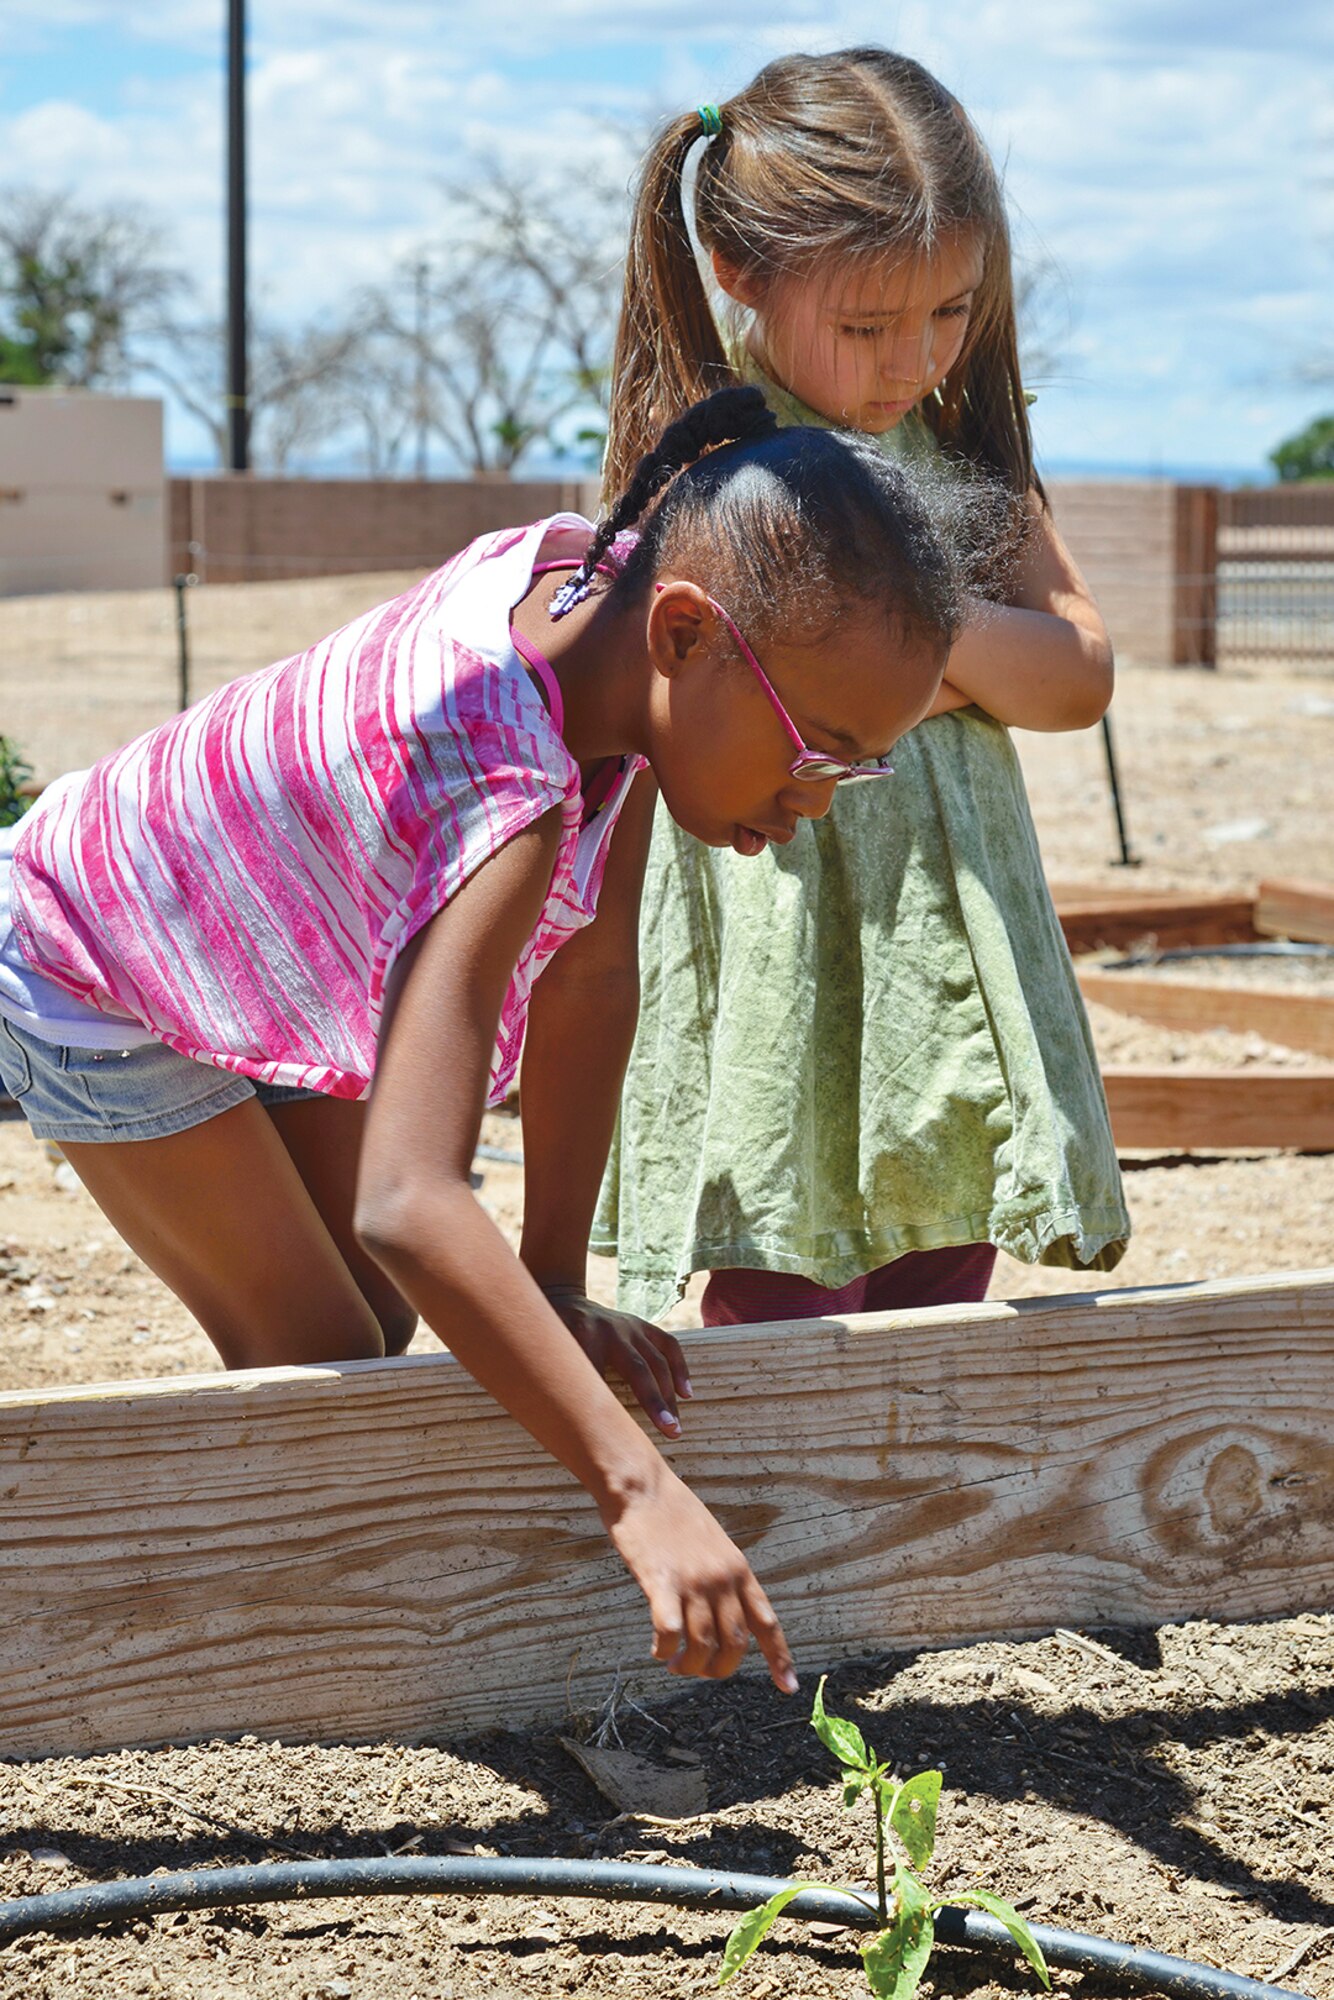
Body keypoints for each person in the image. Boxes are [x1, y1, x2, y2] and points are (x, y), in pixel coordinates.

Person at [0, 388, 965, 1691]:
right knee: (325, 1361)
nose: (817, 802)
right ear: (688, 635)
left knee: (412, 1322)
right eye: (819, 752)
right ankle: (262, 1672)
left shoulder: (598, 607)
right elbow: (410, 1197)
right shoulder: (501, 788)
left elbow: (588, 976)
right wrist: (639, 1492)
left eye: (858, 767)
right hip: (95, 951)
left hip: (270, 938)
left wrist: (555, 1282)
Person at [593, 47, 1131, 1327]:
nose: (914, 357)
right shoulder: (712, 457)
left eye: (947, 312)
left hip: (948, 921)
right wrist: (954, 662)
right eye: (867, 323)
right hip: (787, 918)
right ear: (739, 272)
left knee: (948, 1241)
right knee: (785, 1267)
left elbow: (1076, 674)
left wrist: (900, 642)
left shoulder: (953, 446)